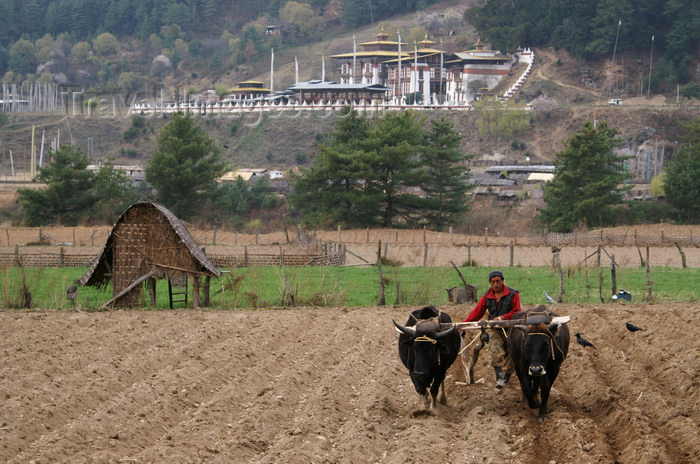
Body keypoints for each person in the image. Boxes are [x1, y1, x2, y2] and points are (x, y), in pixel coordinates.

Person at [461, 270, 521, 388]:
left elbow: (517, 311)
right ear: (490, 283)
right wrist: (463, 324)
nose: (495, 284)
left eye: (498, 281)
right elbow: (477, 313)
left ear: (503, 281)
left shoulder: (513, 294)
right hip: (494, 329)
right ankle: (499, 378)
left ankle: (506, 377)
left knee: (512, 351)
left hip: (511, 328)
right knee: (495, 349)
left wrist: (502, 318)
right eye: (493, 282)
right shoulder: (487, 296)